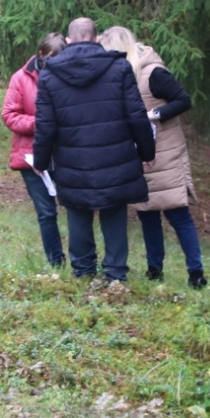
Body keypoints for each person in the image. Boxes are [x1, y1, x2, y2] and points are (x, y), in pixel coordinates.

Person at [32, 16, 156, 285]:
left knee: (77, 210)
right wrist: (148, 152)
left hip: (72, 159)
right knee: (113, 211)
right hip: (116, 157)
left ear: (68, 40)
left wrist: (40, 160)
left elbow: (45, 125)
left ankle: (83, 271)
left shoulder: (50, 74)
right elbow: (137, 115)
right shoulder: (119, 67)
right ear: (96, 38)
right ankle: (115, 273)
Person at [99, 25, 206, 289]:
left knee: (177, 213)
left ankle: (196, 272)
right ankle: (154, 269)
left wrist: (153, 115)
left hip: (166, 154)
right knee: (147, 213)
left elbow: (183, 100)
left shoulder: (153, 72)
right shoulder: (123, 74)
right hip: (140, 153)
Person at [3, 32, 67, 267]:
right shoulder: (20, 78)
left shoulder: (69, 76)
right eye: (50, 61)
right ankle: (56, 262)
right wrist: (41, 123)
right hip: (30, 155)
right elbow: (9, 115)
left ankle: (82, 261)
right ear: (40, 54)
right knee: (46, 212)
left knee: (78, 207)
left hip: (65, 153)